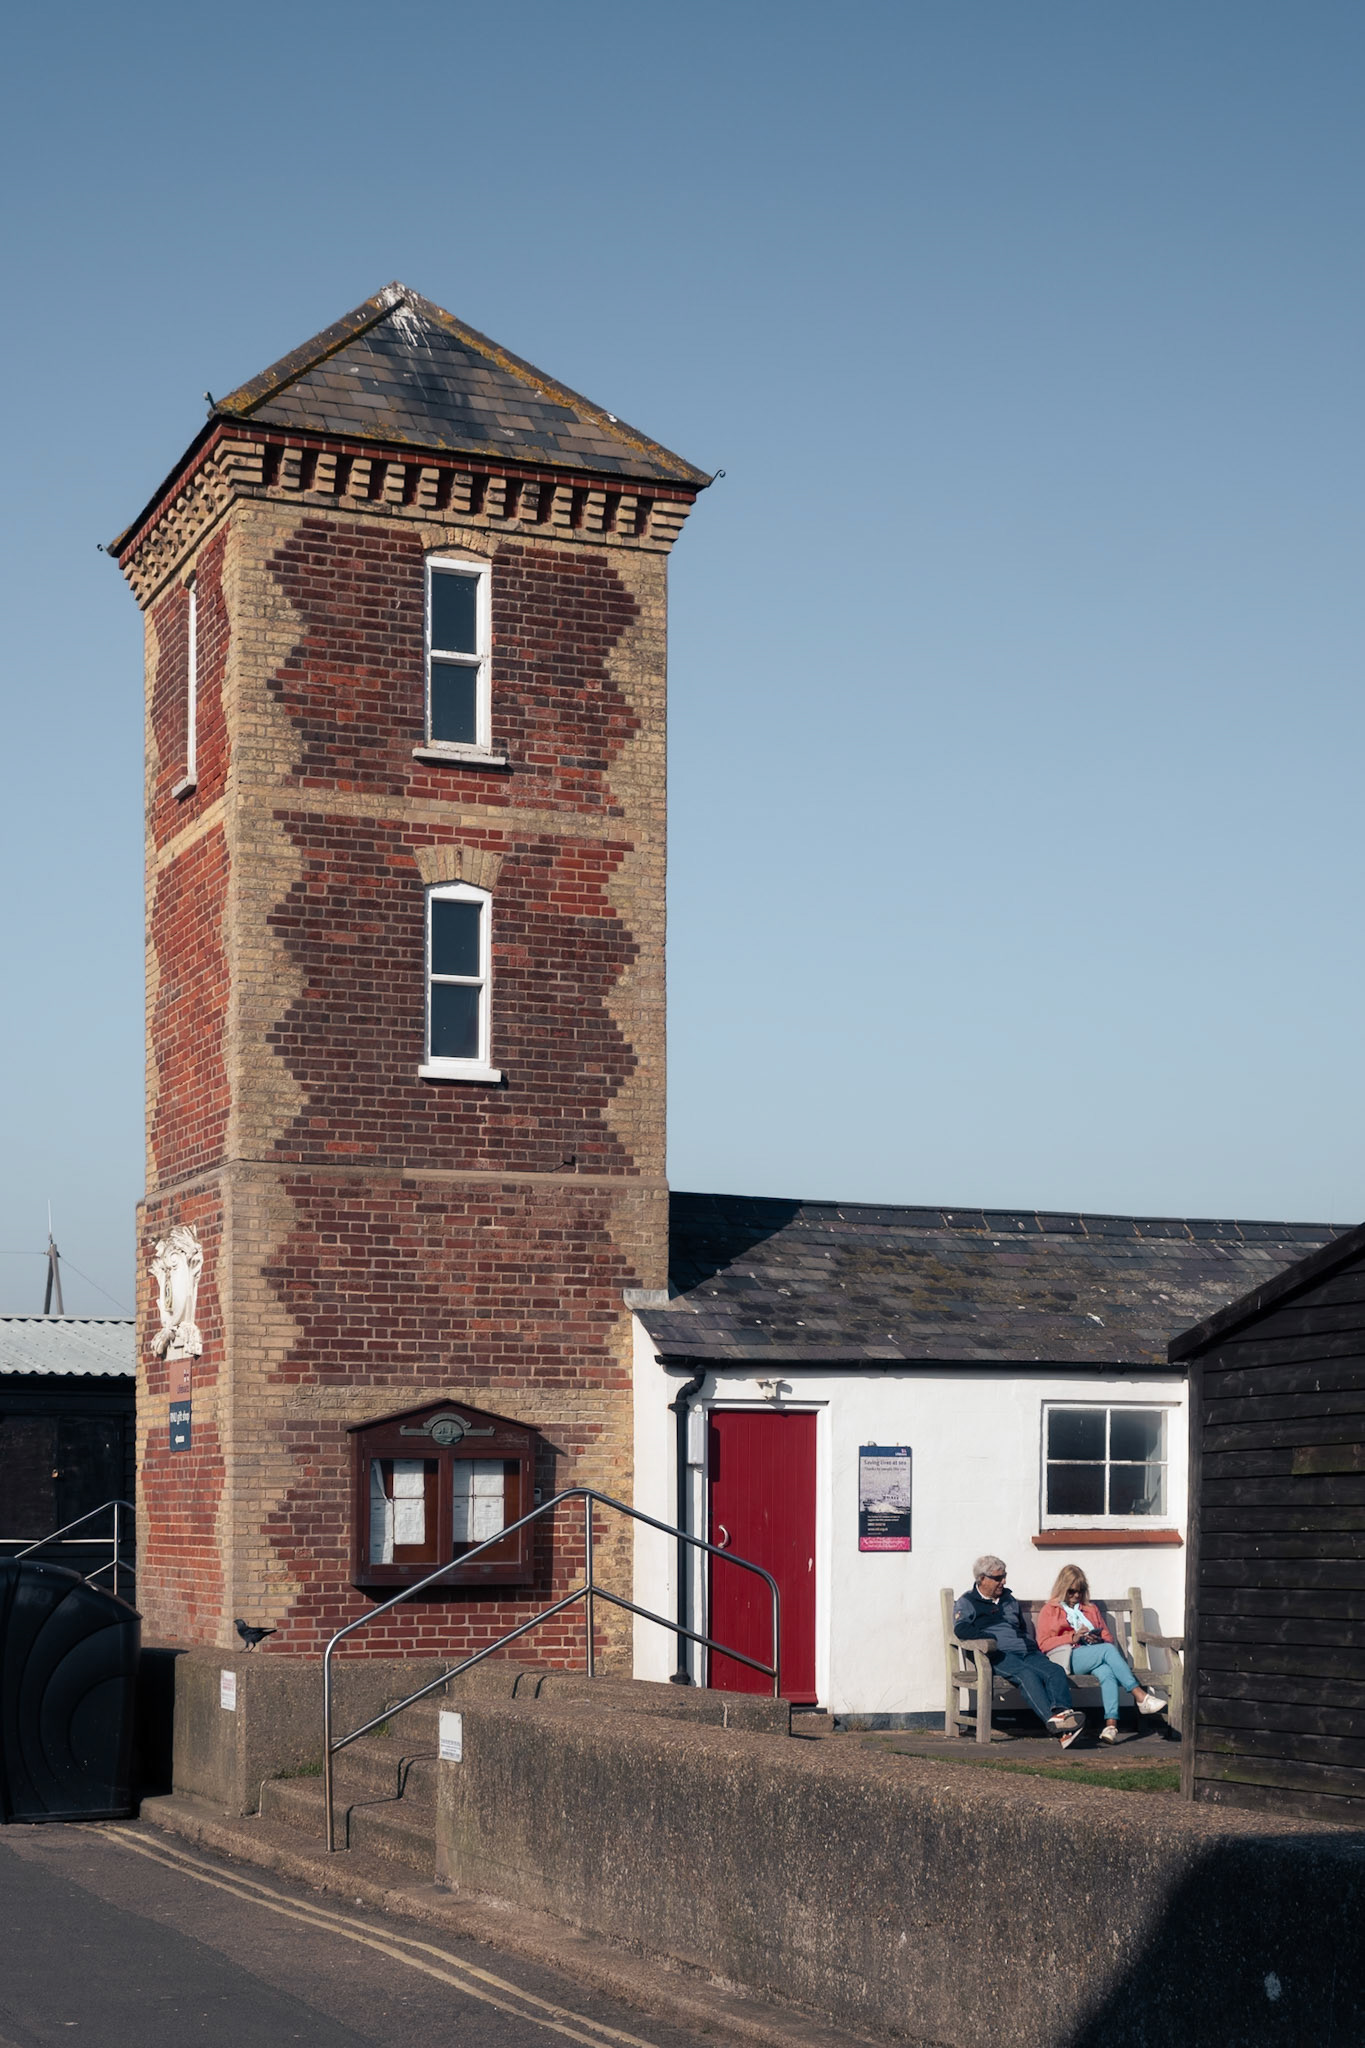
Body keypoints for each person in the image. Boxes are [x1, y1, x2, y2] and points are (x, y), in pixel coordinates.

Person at [953, 1554, 1083, 1747]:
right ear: (982, 1579)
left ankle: (1062, 1721)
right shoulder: (968, 1601)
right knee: (1026, 1675)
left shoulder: (1009, 1599)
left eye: (1004, 1576)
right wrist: (990, 1639)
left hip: (1027, 1651)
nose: (1003, 1581)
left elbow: (1020, 1628)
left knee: (1054, 1671)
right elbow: (960, 1628)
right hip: (1000, 1654)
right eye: (998, 1578)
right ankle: (1060, 1727)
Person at [1036, 1564, 1167, 1743]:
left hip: (1091, 1654)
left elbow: (1107, 1638)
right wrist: (1072, 1637)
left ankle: (1110, 1725)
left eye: (1080, 1591)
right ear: (1062, 1589)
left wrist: (1096, 1640)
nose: (1076, 1596)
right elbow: (1043, 1644)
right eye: (1071, 1591)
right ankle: (1139, 1695)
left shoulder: (1090, 1609)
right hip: (1067, 1657)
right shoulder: (1050, 1610)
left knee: (1107, 1672)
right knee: (1107, 1651)